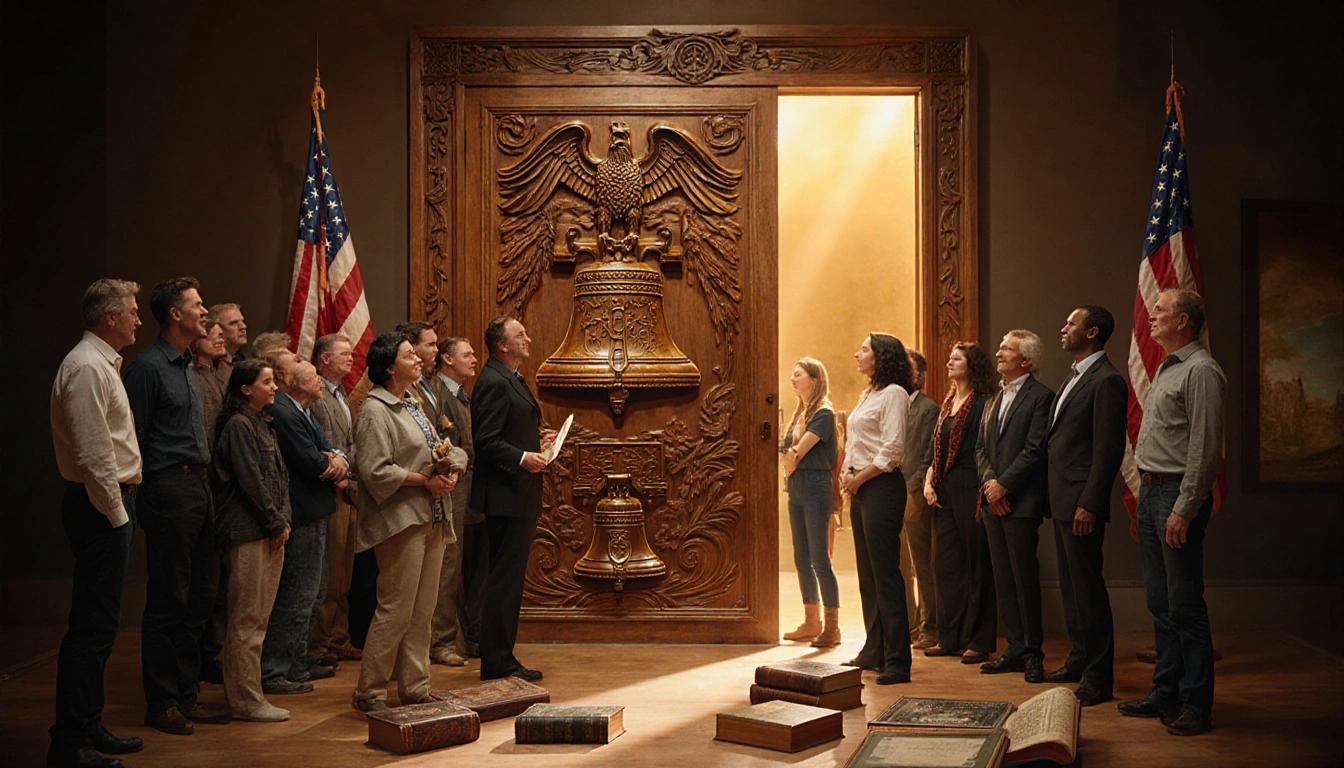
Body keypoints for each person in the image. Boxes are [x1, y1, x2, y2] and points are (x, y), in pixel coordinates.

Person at [122, 277, 229, 734]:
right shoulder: (147, 368)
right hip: (168, 489)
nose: (205, 312)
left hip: (199, 488)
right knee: (168, 598)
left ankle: (186, 697)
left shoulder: (185, 365)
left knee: (200, 597)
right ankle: (162, 702)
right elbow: (135, 439)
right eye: (198, 306)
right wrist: (144, 501)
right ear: (175, 315)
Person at [48, 279, 144, 768]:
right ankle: (71, 742)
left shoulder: (100, 364)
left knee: (102, 627)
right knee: (91, 629)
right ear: (109, 318)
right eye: (131, 311)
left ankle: (87, 724)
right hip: (98, 506)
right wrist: (117, 514)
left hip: (104, 505)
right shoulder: (86, 367)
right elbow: (93, 455)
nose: (137, 318)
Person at [1119, 289, 1224, 737]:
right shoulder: (1168, 367)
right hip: (1152, 494)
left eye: (1159, 310)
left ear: (1182, 321)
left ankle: (1196, 704)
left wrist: (1183, 509)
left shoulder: (1201, 371)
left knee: (1184, 606)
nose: (1151, 315)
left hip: (1175, 497)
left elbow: (1204, 450)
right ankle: (1166, 691)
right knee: (1160, 604)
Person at [351, 333, 465, 711]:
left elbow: (441, 449)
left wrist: (448, 470)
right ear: (388, 367)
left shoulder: (413, 403)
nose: (418, 359)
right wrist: (425, 481)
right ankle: (370, 692)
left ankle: (415, 687)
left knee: (422, 611)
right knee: (396, 609)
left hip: (432, 516)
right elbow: (374, 470)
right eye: (408, 355)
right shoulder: (375, 410)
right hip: (400, 521)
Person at [1046, 305, 1127, 707]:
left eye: (1071, 323)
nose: (1063, 328)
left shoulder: (1107, 380)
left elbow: (1108, 451)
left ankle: (1098, 677)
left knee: (1089, 592)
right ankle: (1079, 659)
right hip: (1061, 502)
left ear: (1092, 332)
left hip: (1081, 506)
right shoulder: (1075, 376)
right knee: (1072, 589)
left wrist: (1090, 504)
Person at [472, 316, 555, 682]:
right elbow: (486, 441)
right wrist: (523, 457)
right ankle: (497, 660)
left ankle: (501, 655)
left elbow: (508, 428)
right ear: (501, 345)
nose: (528, 338)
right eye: (520, 334)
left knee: (509, 579)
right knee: (503, 580)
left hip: (517, 493)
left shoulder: (511, 377)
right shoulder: (492, 380)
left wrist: (536, 438)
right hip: (505, 494)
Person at [260, 359, 348, 695]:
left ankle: (296, 665)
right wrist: (332, 462)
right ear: (291, 383)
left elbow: (330, 450)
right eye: (312, 377)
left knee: (312, 593)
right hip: (302, 512)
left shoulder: (302, 410)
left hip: (316, 509)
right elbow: (313, 462)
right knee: (297, 595)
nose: (321, 382)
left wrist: (336, 460)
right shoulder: (283, 412)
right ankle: (275, 671)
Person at [211, 360, 292, 722]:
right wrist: (275, 521)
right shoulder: (239, 425)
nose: (274, 387)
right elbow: (250, 482)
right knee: (246, 617)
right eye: (267, 382)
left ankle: (253, 693)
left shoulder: (263, 423)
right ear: (246, 389)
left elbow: (279, 479)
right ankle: (245, 700)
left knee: (259, 617)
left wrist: (283, 519)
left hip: (270, 530)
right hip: (249, 532)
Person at [976, 331, 1053, 683]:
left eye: (1007, 348)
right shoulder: (993, 400)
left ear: (1026, 359)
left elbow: (1036, 450)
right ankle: (1014, 649)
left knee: (1024, 579)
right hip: (995, 503)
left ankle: (1033, 653)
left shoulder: (1042, 398)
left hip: (1021, 503)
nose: (998, 352)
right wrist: (992, 485)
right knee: (1003, 578)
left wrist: (1004, 486)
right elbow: (980, 449)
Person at [840, 332, 914, 685]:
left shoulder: (895, 394)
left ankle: (898, 660)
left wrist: (859, 478)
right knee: (867, 575)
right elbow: (856, 442)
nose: (858, 354)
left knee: (886, 575)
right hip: (861, 488)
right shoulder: (868, 393)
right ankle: (874, 649)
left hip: (882, 487)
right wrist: (846, 474)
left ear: (881, 356)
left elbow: (892, 450)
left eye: (864, 349)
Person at [923, 342, 997, 664]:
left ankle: (978, 641)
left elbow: (985, 450)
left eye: (957, 358)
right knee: (945, 565)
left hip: (972, 486)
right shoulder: (949, 402)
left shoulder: (982, 403)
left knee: (977, 565)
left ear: (972, 366)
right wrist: (929, 480)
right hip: (945, 488)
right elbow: (937, 450)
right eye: (950, 357)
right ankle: (949, 637)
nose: (949, 362)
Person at [308, 333, 362, 666]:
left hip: (351, 490)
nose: (351, 358)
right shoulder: (317, 396)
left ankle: (340, 639)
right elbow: (323, 444)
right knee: (329, 575)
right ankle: (320, 643)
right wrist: (340, 476)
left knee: (346, 573)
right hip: (331, 491)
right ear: (324, 359)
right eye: (344, 354)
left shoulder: (341, 394)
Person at [780, 358, 842, 648]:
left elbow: (797, 452)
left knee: (820, 558)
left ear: (815, 380)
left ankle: (832, 627)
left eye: (798, 375)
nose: (792, 379)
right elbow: (784, 451)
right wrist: (789, 457)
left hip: (816, 485)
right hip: (797, 486)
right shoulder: (799, 413)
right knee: (800, 557)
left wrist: (790, 457)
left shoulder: (823, 414)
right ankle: (811, 620)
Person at [430, 336, 480, 666]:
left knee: (463, 567)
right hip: (451, 485)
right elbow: (444, 444)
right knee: (447, 567)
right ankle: (440, 642)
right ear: (448, 360)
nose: (474, 359)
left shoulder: (460, 394)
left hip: (467, 487)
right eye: (467, 354)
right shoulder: (438, 394)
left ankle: (462, 636)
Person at [901, 350, 940, 651]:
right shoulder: (893, 403)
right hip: (891, 496)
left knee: (922, 564)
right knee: (900, 566)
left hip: (915, 496)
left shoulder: (929, 409)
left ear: (921, 376)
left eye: (911, 369)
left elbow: (929, 455)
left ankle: (930, 628)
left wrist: (915, 491)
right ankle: (909, 625)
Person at [191, 314, 227, 450]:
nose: (220, 340)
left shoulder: (222, 375)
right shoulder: (193, 376)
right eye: (211, 335)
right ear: (195, 342)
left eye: (221, 336)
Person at [210, 303, 248, 385]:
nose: (243, 326)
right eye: (233, 323)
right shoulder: (212, 365)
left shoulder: (242, 361)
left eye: (242, 321)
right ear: (218, 329)